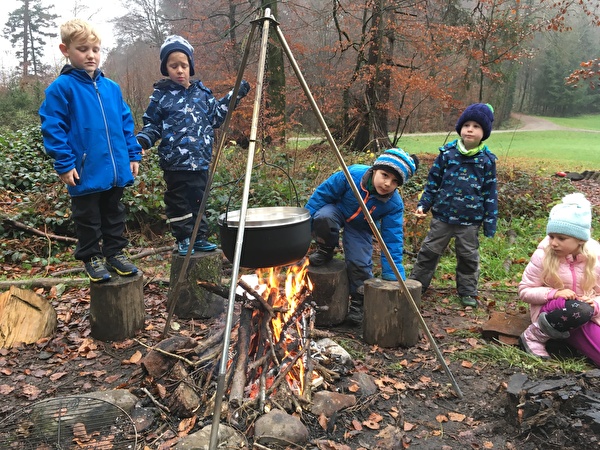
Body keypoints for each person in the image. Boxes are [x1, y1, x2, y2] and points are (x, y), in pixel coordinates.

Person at [39, 19, 142, 283]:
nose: (91, 55)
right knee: (87, 217)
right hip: (84, 170)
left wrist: (132, 154)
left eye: (95, 49)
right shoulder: (61, 88)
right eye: (83, 49)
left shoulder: (112, 88)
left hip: (116, 168)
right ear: (66, 50)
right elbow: (53, 127)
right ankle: (91, 257)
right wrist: (63, 163)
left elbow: (125, 123)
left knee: (114, 213)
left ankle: (115, 253)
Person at [136, 35, 250, 256]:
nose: (179, 70)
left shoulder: (202, 94)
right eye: (173, 66)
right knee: (178, 203)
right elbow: (152, 125)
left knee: (199, 201)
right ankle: (184, 238)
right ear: (165, 68)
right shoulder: (161, 96)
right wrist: (142, 141)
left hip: (199, 162)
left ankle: (198, 238)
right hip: (174, 163)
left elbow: (217, 116)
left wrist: (235, 94)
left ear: (191, 67)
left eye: (184, 65)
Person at [305, 148, 418, 325]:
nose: (387, 183)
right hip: (338, 211)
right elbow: (323, 194)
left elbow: (392, 237)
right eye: (385, 175)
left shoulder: (393, 204)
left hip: (362, 226)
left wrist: (391, 270)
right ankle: (326, 249)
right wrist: (304, 224)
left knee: (360, 262)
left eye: (395, 181)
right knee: (323, 217)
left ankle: (358, 302)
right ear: (375, 169)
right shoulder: (352, 175)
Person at [409, 103, 498, 307]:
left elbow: (490, 192)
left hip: (470, 220)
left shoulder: (486, 160)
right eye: (466, 124)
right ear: (460, 128)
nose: (470, 129)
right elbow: (433, 183)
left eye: (476, 126)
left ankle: (467, 291)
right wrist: (424, 204)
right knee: (429, 251)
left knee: (468, 256)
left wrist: (490, 222)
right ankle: (417, 284)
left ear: (484, 132)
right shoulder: (447, 154)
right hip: (443, 217)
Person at [518, 193, 600, 367]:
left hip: (586, 315)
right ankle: (533, 336)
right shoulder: (543, 255)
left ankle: (572, 340)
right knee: (578, 309)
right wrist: (554, 293)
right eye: (551, 236)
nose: (553, 243)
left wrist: (595, 304)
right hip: (552, 311)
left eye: (561, 238)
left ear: (580, 240)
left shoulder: (596, 259)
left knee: (584, 312)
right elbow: (525, 291)